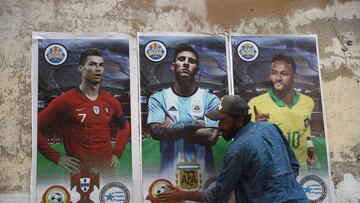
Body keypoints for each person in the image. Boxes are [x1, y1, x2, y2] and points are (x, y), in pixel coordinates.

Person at [156, 95, 309, 203]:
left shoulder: (236, 150)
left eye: (223, 120)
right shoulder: (270, 127)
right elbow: (293, 166)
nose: (219, 125)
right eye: (218, 120)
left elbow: (218, 195)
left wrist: (184, 195)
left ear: (240, 120)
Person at [38, 48, 130, 173]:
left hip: (108, 171)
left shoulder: (111, 101)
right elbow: (34, 126)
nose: (98, 69)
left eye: (101, 65)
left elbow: (124, 127)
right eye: (92, 64)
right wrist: (57, 158)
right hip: (79, 174)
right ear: (81, 68)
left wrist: (117, 153)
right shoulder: (65, 100)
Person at [147, 44, 220, 190]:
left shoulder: (211, 99)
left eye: (191, 61)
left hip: (203, 181)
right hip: (169, 180)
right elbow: (156, 132)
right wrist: (193, 124)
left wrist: (172, 127)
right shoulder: (158, 98)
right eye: (181, 59)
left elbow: (211, 136)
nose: (186, 63)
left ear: (197, 70)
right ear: (173, 66)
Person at [248, 53, 317, 167]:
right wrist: (254, 129)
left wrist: (310, 148)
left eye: (284, 74)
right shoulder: (255, 104)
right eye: (274, 73)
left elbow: (306, 131)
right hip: (272, 171)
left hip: (301, 169)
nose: (278, 78)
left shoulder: (308, 102)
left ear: (295, 77)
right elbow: (245, 142)